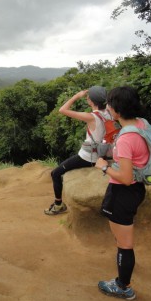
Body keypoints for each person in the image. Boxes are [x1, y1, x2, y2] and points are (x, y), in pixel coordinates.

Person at [95, 86, 151, 300]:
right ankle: (126, 264)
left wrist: (103, 166)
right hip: (137, 189)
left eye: (109, 105)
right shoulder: (143, 124)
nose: (107, 108)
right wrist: (139, 165)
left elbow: (125, 178)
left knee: (125, 243)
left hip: (123, 192)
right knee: (122, 240)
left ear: (117, 110)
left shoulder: (126, 138)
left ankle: (123, 286)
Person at [45, 86, 113, 215]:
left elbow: (62, 110)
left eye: (88, 97)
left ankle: (58, 205)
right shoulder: (110, 112)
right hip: (103, 154)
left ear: (91, 102)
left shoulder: (91, 117)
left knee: (55, 173)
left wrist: (77, 95)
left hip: (88, 158)